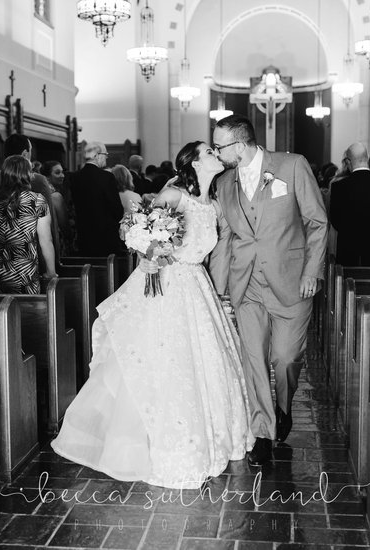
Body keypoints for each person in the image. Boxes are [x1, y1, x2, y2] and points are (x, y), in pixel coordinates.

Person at [52, 141, 253, 489]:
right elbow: (132, 227)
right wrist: (148, 251)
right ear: (193, 163)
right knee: (163, 358)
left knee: (202, 359)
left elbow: (215, 252)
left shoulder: (214, 204)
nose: (214, 155)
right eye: (208, 151)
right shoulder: (174, 195)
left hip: (198, 287)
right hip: (168, 282)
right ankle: (156, 440)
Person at [209, 115, 328, 466]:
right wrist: (218, 289)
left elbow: (317, 222)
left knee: (286, 357)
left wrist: (312, 271)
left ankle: (282, 406)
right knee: (254, 358)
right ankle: (262, 431)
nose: (217, 153)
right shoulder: (224, 182)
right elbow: (226, 239)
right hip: (245, 284)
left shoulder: (291, 166)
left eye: (220, 146)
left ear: (241, 144)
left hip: (291, 280)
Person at [0, 155, 56, 294]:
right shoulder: (37, 200)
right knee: (29, 314)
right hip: (23, 273)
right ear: (28, 174)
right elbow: (46, 240)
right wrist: (51, 272)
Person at [71, 142, 124, 256]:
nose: (107, 157)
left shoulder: (74, 177)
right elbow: (116, 208)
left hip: (84, 235)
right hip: (106, 236)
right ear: (96, 155)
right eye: (105, 154)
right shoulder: (106, 177)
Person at [41, 160, 73, 256]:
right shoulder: (55, 196)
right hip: (56, 243)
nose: (62, 175)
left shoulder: (40, 191)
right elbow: (64, 225)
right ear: (47, 176)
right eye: (57, 173)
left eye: (62, 172)